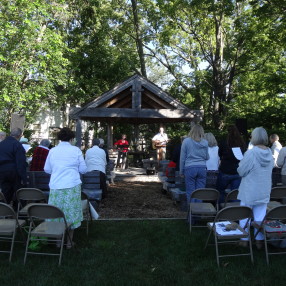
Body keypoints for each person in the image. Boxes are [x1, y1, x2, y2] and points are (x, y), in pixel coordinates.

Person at [44, 127, 87, 249]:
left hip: (56, 186)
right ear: (72, 138)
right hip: (72, 185)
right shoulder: (76, 150)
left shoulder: (52, 151)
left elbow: (47, 169)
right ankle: (68, 242)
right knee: (70, 213)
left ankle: (58, 242)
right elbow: (83, 169)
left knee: (56, 212)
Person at [237, 127, 274, 249]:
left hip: (250, 190)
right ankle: (259, 241)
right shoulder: (269, 152)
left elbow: (241, 171)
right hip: (264, 189)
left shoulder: (251, 153)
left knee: (244, 216)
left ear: (255, 137)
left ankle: (244, 240)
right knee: (260, 217)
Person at [180, 124, 209, 205]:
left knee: (190, 192)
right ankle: (198, 213)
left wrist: (181, 171)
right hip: (202, 168)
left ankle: (191, 213)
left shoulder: (186, 141)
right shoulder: (205, 142)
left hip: (190, 168)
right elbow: (207, 157)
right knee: (200, 192)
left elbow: (182, 158)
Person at [216, 125, 246, 204]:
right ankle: (235, 213)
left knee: (220, 191)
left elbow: (219, 154)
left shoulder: (224, 143)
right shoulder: (241, 143)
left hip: (225, 170)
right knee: (236, 194)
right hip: (237, 171)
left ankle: (221, 209)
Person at [0, 128, 27, 205]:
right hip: (14, 172)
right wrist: (23, 178)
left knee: (5, 193)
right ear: (20, 135)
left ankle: (4, 212)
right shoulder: (17, 145)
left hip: (2, 171)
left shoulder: (1, 144)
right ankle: (18, 212)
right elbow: (20, 163)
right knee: (19, 194)